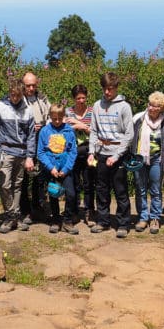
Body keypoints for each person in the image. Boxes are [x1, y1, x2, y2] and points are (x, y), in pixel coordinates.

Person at [90, 71, 134, 238]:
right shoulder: (96, 105)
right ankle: (103, 221)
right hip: (101, 153)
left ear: (116, 87)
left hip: (118, 154)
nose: (107, 92)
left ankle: (123, 223)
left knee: (120, 190)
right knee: (101, 189)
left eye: (110, 89)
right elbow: (94, 131)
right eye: (105, 89)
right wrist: (91, 152)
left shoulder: (124, 107)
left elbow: (129, 135)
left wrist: (116, 156)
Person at [0, 80, 37, 234]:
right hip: (5, 152)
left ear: (22, 94)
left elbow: (31, 135)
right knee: (5, 185)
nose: (15, 98)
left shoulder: (28, 110)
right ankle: (10, 216)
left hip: (22, 153)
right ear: (9, 92)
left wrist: (30, 156)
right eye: (12, 95)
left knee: (17, 186)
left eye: (18, 95)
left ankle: (14, 217)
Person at [130, 92, 164, 235]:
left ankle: (155, 218)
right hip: (139, 158)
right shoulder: (138, 118)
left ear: (161, 108)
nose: (151, 108)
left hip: (157, 159)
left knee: (156, 190)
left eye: (155, 106)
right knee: (140, 188)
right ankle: (143, 217)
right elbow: (130, 137)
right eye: (150, 104)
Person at [37, 104, 78, 234]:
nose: (57, 121)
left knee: (71, 194)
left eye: (60, 118)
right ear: (50, 117)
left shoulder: (69, 130)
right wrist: (50, 168)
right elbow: (41, 153)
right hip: (52, 169)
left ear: (64, 117)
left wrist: (66, 169)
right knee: (53, 194)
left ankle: (67, 220)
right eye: (54, 118)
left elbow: (73, 152)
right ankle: (55, 220)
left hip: (66, 169)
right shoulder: (45, 131)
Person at [20, 71, 51, 226]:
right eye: (28, 86)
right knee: (24, 177)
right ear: (23, 85)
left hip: (41, 139)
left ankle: (38, 207)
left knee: (40, 176)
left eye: (33, 85)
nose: (31, 88)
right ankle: (25, 210)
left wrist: (44, 125)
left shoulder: (42, 98)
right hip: (23, 140)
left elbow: (51, 115)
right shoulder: (18, 99)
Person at [65, 84, 95, 225]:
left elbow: (96, 132)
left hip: (89, 150)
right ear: (74, 98)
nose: (81, 101)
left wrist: (80, 125)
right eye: (78, 98)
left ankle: (90, 211)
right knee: (75, 183)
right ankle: (75, 211)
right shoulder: (67, 112)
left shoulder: (93, 111)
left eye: (83, 97)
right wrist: (75, 127)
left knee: (89, 182)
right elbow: (63, 131)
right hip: (72, 152)